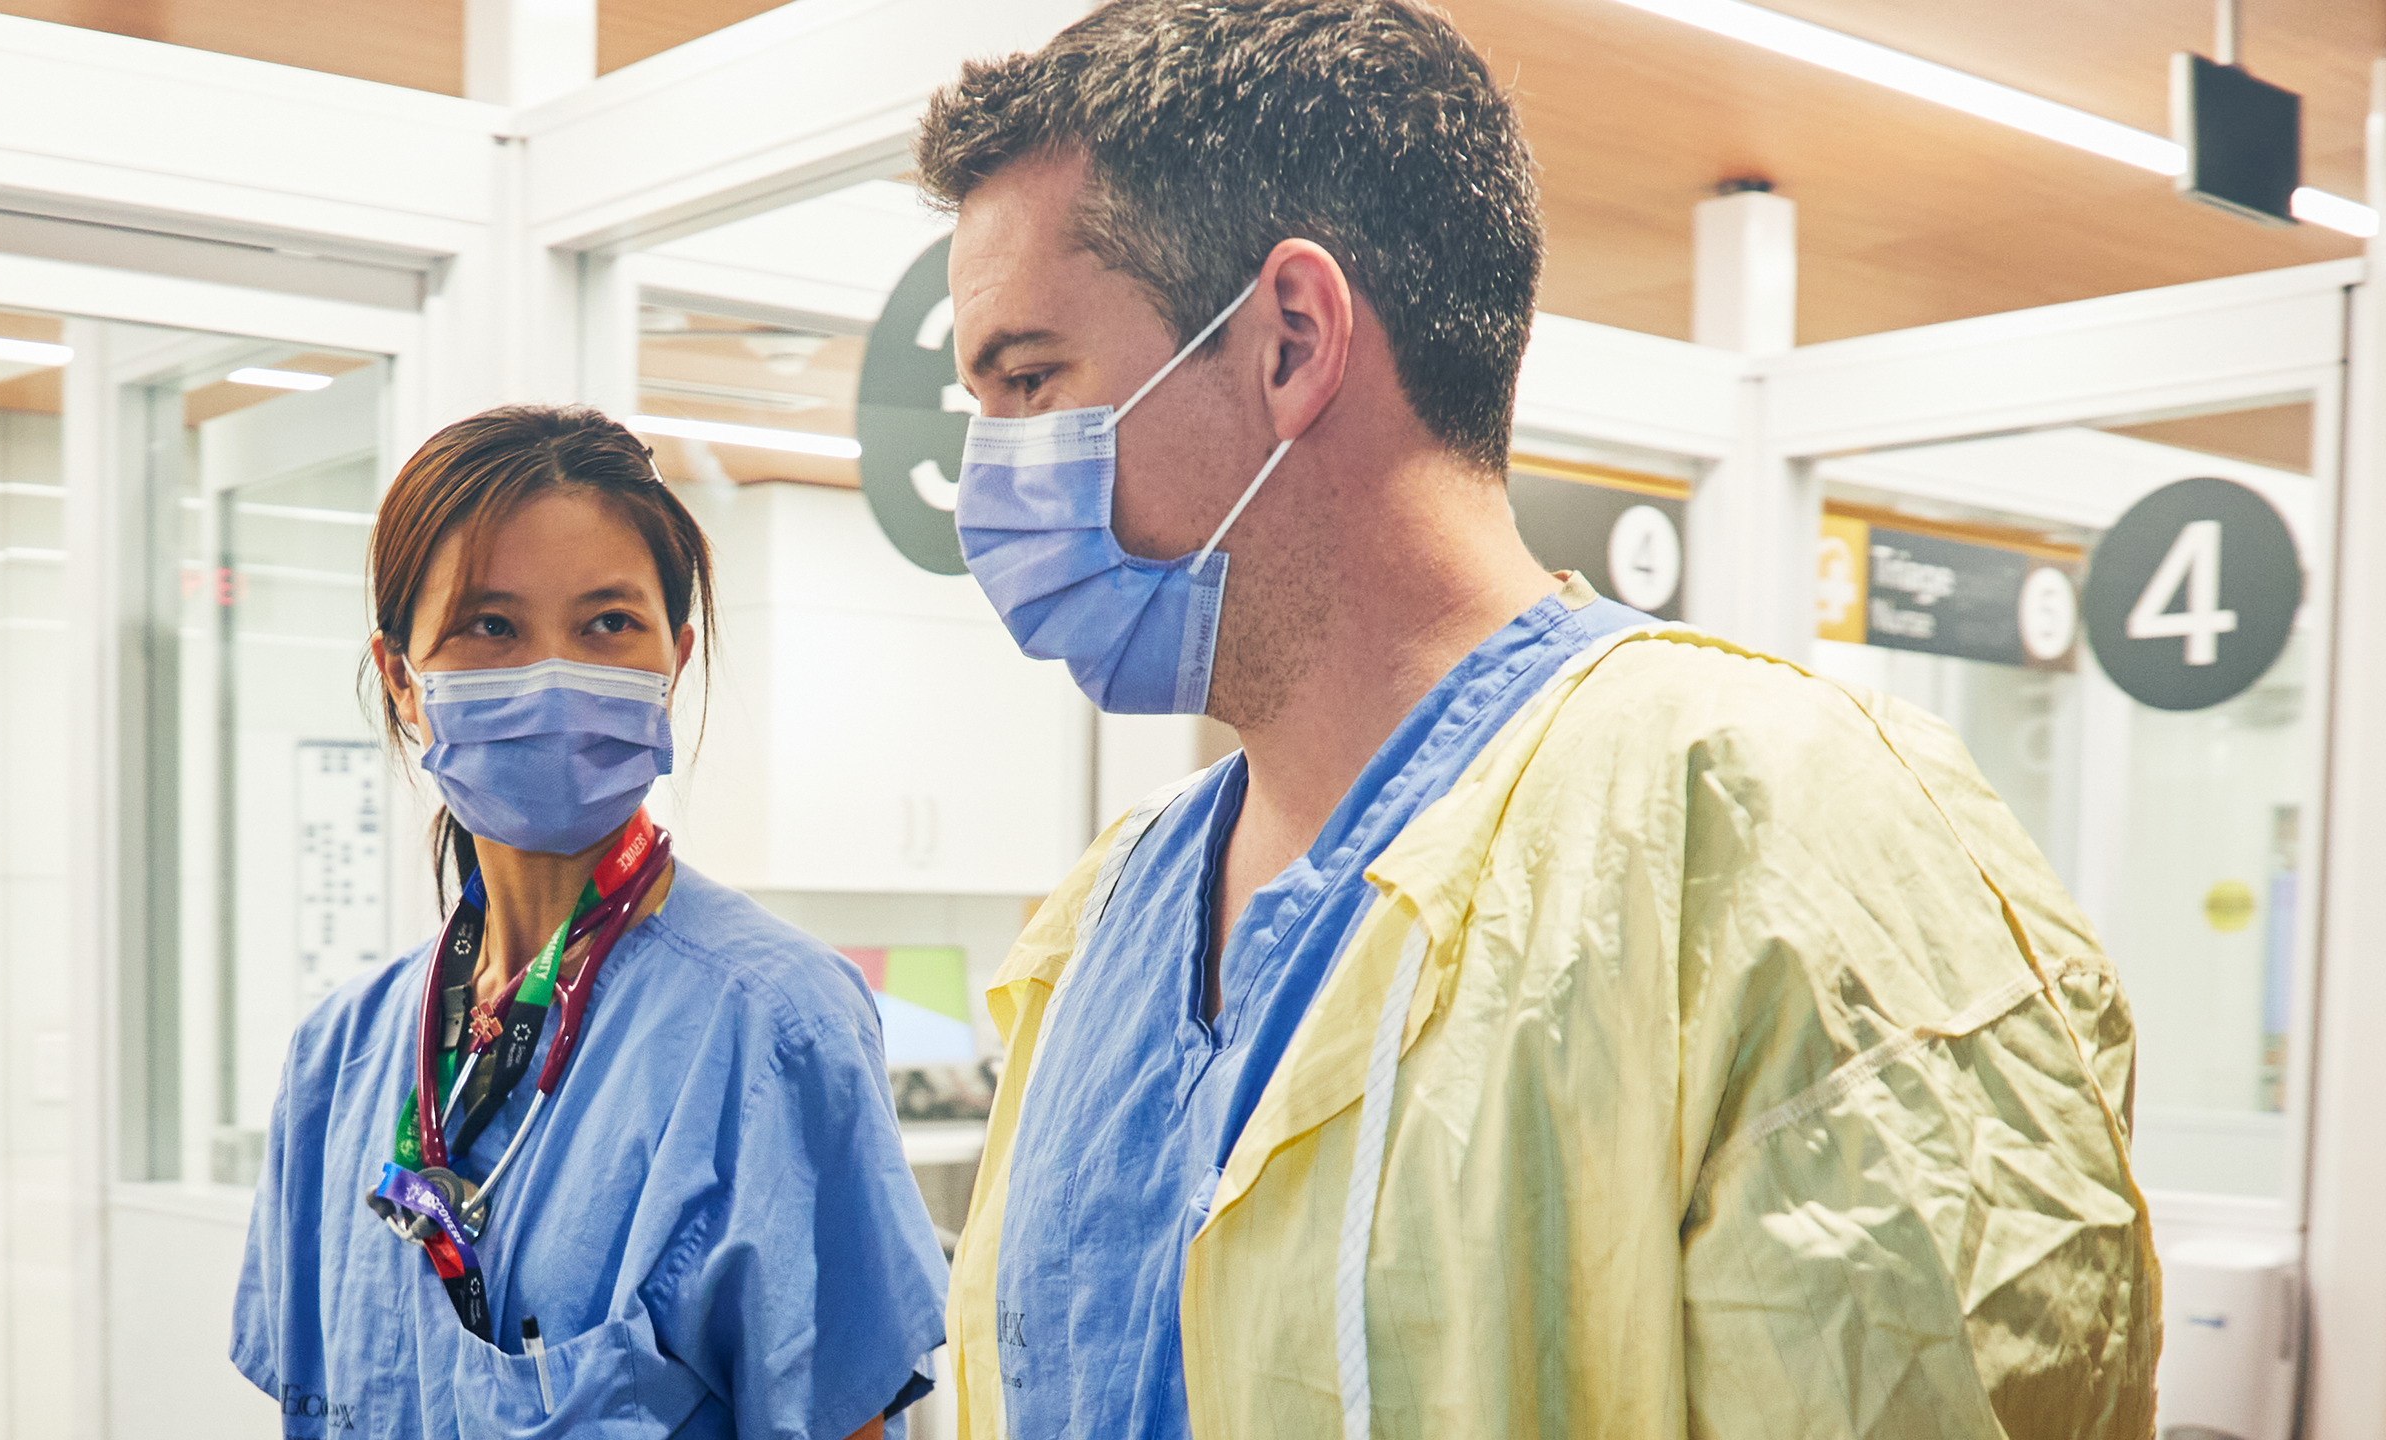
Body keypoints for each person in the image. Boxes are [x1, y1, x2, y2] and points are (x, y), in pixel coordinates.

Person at [921, 3, 2160, 1438]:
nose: (992, 477)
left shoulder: (1782, 844)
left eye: (1029, 383)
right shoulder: (1111, 917)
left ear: (1290, 341)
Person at [231, 405, 946, 1439]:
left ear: (675, 658)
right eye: (491, 626)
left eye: (608, 623)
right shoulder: (339, 1054)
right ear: (402, 679)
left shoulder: (772, 1024)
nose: (554, 673)